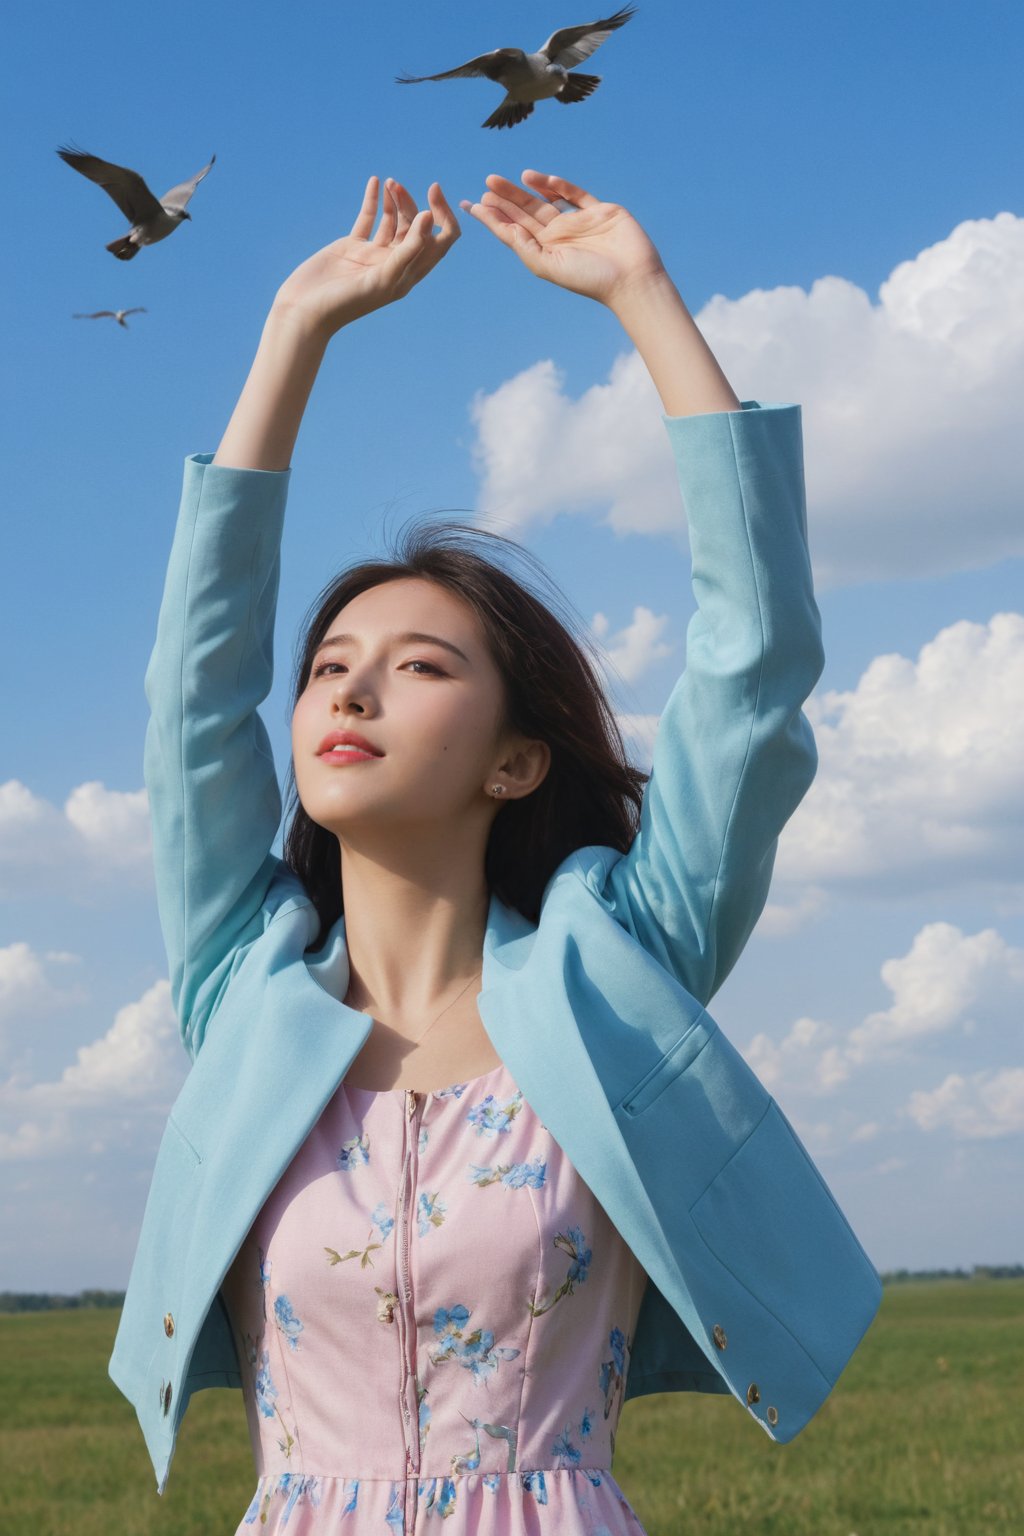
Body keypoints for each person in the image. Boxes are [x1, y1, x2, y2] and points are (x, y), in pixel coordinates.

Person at [109, 170, 882, 1533]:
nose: (350, 694)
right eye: (330, 669)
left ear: (516, 759)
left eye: (417, 668)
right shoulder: (245, 989)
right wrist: (293, 332)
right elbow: (191, 695)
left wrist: (645, 300)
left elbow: (751, 672)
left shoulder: (616, 972)